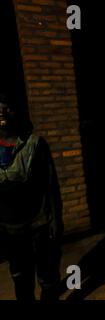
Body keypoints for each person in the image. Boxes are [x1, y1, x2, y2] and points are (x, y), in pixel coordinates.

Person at [0, 94, 63, 300]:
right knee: (21, 279)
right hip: (11, 229)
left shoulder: (34, 144)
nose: (2, 112)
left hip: (39, 224)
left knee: (47, 278)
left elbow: (50, 184)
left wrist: (56, 219)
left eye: (7, 107)